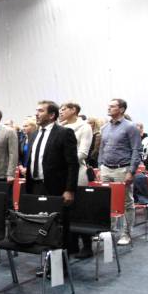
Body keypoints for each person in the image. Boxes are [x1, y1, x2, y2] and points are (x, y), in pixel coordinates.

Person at [25, 100, 78, 270]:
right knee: (41, 225)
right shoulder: (34, 134)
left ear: (52, 115)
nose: (37, 113)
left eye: (41, 111)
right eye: (36, 110)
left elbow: (72, 164)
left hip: (56, 188)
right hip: (36, 186)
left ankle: (59, 268)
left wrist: (69, 190)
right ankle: (47, 264)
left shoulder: (64, 133)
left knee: (58, 227)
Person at [97, 98, 141, 246]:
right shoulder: (105, 127)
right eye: (108, 106)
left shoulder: (130, 127)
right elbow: (102, 149)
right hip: (106, 168)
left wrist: (131, 171)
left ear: (121, 109)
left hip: (123, 169)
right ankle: (109, 230)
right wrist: (100, 166)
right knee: (106, 200)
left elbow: (136, 150)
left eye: (112, 106)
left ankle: (126, 233)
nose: (108, 108)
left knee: (126, 202)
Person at [59, 102, 95, 258]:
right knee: (64, 211)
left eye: (64, 109)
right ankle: (71, 244)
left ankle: (87, 246)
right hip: (61, 173)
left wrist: (61, 160)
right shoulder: (60, 126)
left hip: (77, 171)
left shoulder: (84, 127)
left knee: (79, 210)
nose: (61, 112)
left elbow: (83, 153)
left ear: (74, 110)